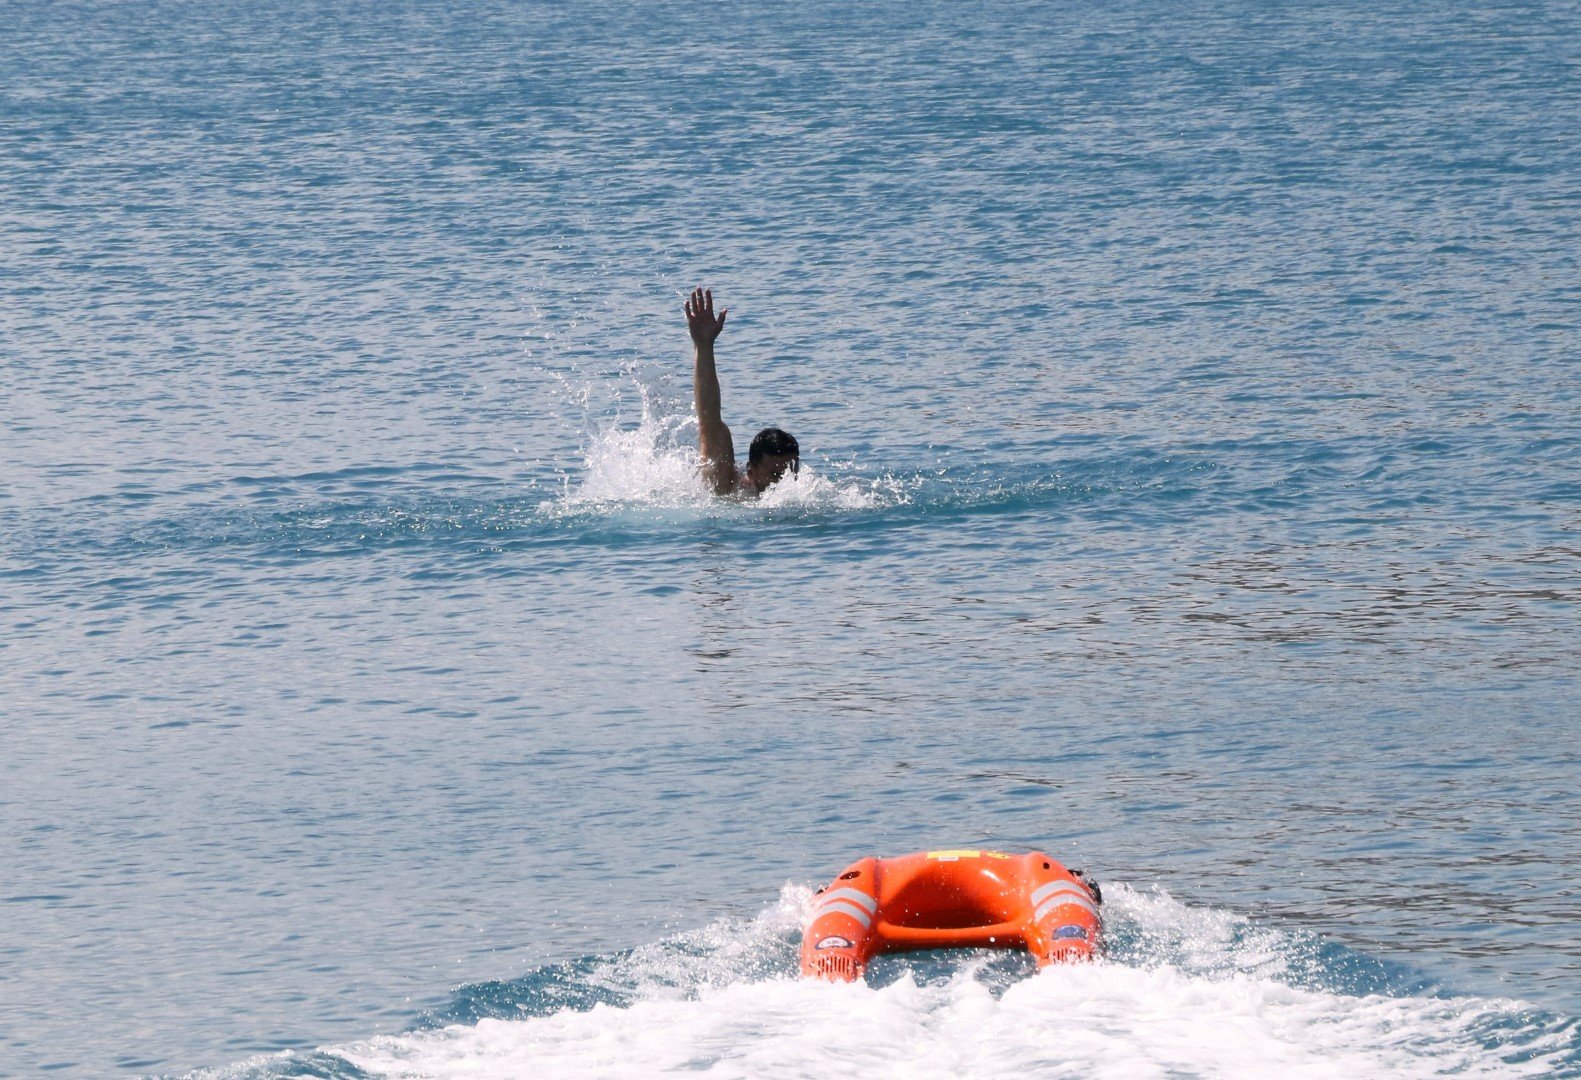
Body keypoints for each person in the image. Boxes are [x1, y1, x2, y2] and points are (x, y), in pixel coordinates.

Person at [685, 287, 800, 496]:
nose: (785, 484)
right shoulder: (727, 487)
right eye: (775, 475)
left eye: (792, 473)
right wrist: (704, 345)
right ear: (751, 471)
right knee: (718, 435)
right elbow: (709, 422)